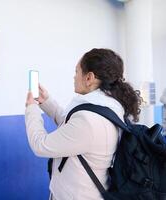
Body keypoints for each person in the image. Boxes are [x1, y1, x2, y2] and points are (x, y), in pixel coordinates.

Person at [25, 48, 142, 200]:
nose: (74, 77)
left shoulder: (89, 121)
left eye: (76, 72)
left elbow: (40, 145)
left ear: (89, 78)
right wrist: (46, 102)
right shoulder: (107, 108)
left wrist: (31, 108)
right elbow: (71, 130)